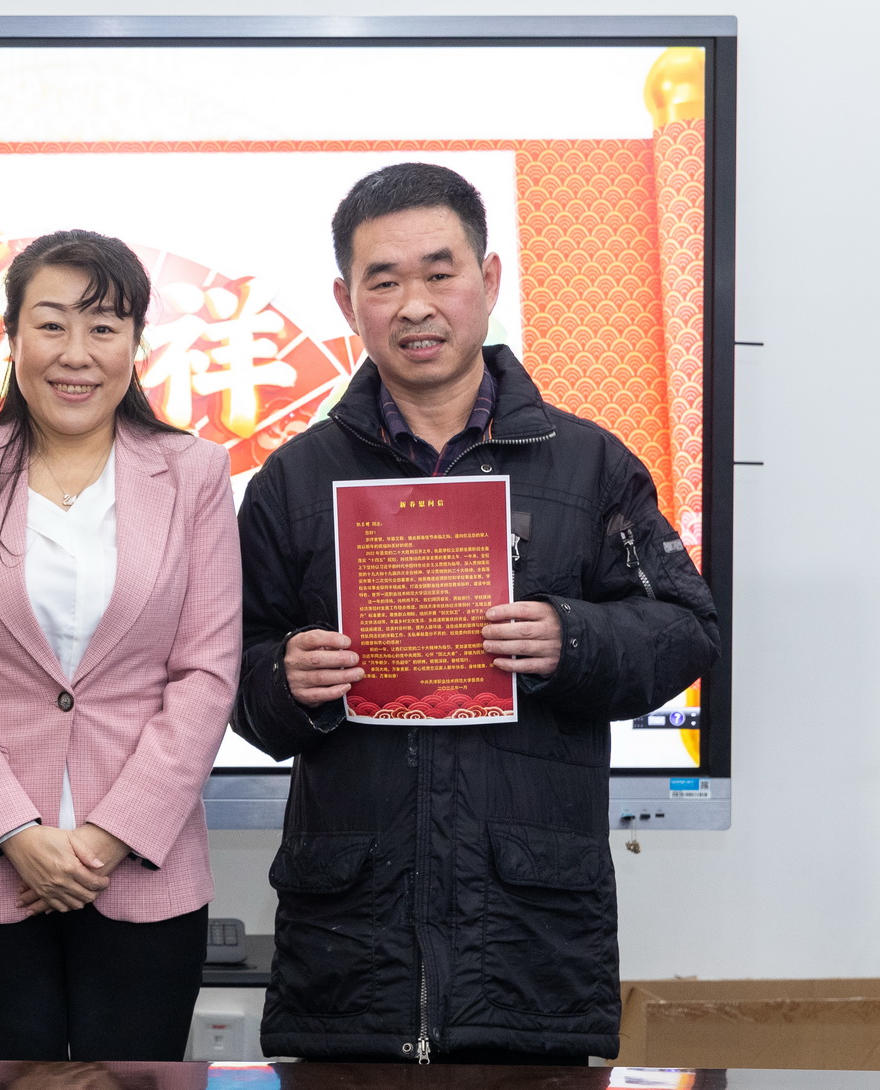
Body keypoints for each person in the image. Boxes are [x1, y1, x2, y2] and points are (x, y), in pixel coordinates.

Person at [232, 164, 720, 1064]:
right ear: (346, 302)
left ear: (488, 280)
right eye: (383, 281)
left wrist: (571, 639)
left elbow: (686, 630)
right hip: (348, 947)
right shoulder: (292, 479)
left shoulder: (589, 464)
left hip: (529, 938)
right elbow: (231, 672)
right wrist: (281, 675)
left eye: (439, 272)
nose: (414, 305)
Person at [0, 229, 242, 1061]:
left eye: (103, 327)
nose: (75, 354)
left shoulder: (193, 472)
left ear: (136, 342)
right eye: (50, 325)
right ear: (11, 338)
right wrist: (16, 832)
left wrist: (107, 835)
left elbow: (205, 672)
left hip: (145, 869)